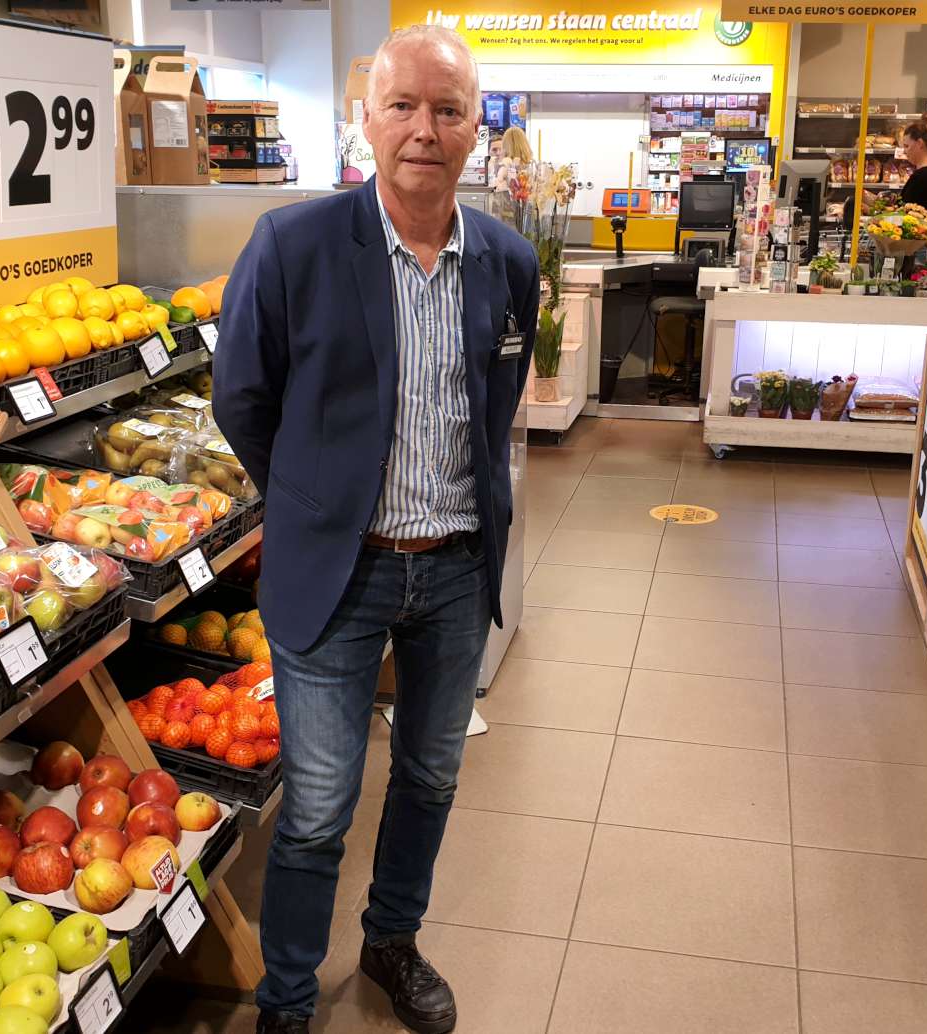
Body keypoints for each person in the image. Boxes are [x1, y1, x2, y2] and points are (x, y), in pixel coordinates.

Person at [213, 24, 540, 1034]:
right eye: (402, 105)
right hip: (335, 574)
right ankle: (287, 995)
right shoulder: (293, 245)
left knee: (431, 776)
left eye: (447, 109)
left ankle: (393, 941)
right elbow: (242, 399)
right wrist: (316, 502)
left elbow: (496, 406)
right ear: (366, 118)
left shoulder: (507, 261)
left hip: (451, 571)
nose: (423, 130)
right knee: (314, 806)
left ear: (475, 129)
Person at [900, 113, 927, 218]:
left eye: (907, 146)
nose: (904, 151)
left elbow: (908, 215)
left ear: (920, 143)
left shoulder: (923, 176)